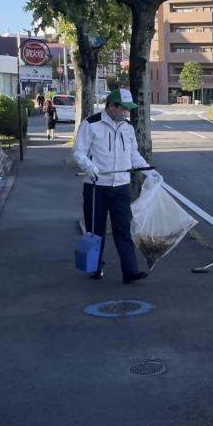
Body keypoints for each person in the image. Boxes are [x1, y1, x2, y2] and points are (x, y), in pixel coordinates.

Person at [72, 89, 163, 283]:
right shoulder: (91, 124)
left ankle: (130, 271)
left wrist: (149, 171)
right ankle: (94, 267)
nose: (126, 113)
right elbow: (78, 152)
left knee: (123, 229)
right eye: (123, 109)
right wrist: (89, 167)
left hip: (121, 186)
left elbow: (133, 156)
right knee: (96, 230)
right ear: (111, 107)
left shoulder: (127, 127)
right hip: (97, 186)